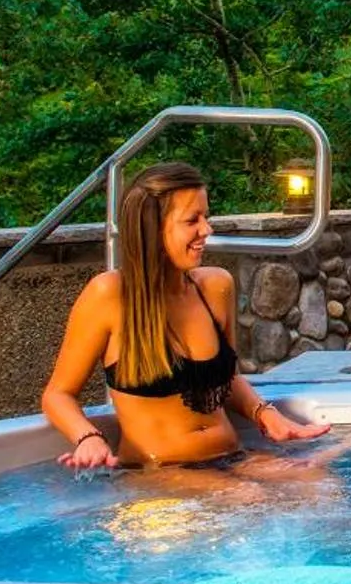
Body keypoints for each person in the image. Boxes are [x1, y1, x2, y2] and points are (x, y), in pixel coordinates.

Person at [43, 162, 330, 469]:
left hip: (232, 456)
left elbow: (226, 378)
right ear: (152, 230)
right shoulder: (109, 296)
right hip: (159, 474)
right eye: (192, 220)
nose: (206, 229)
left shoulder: (216, 286)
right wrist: (88, 437)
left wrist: (263, 412)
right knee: (251, 500)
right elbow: (58, 394)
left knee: (323, 486)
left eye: (206, 217)